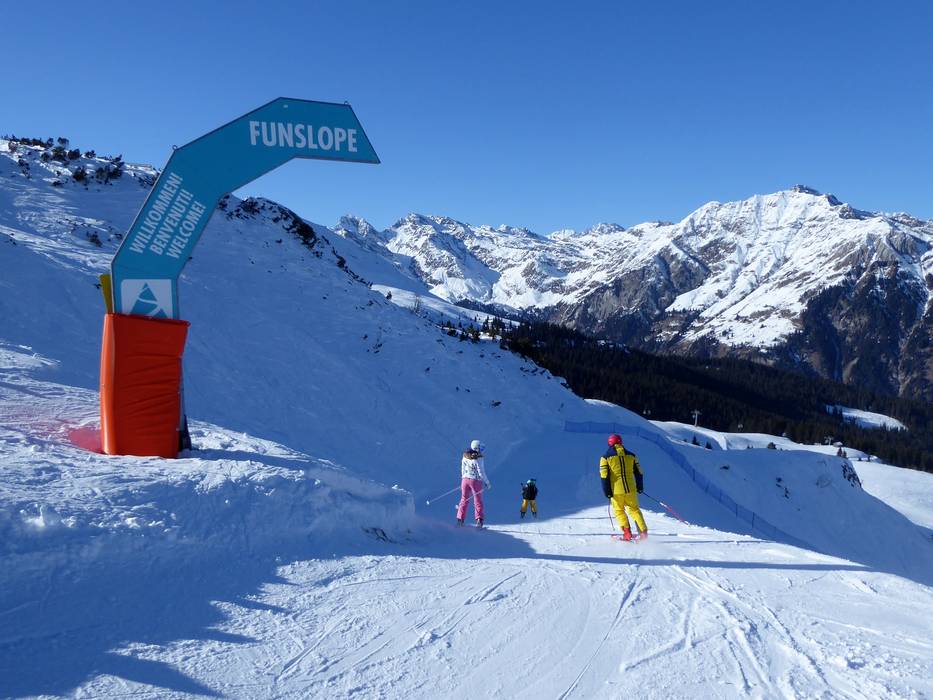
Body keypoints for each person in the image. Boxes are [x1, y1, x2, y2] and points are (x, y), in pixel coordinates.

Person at [599, 434, 648, 541]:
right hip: (631, 489)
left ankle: (627, 533)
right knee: (634, 510)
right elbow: (639, 472)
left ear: (609, 443)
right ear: (621, 442)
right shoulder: (632, 455)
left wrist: (607, 491)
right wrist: (640, 487)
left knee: (619, 511)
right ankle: (643, 533)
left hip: (616, 491)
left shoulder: (605, 458)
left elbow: (604, 476)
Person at [457, 439, 490, 527]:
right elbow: (481, 472)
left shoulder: (465, 455)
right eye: (480, 448)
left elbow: (463, 469)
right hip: (475, 481)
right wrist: (487, 482)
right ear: (477, 448)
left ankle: (460, 520)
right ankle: (479, 521)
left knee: (464, 499)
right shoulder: (479, 458)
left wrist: (463, 478)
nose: (481, 450)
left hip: (465, 480)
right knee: (477, 501)